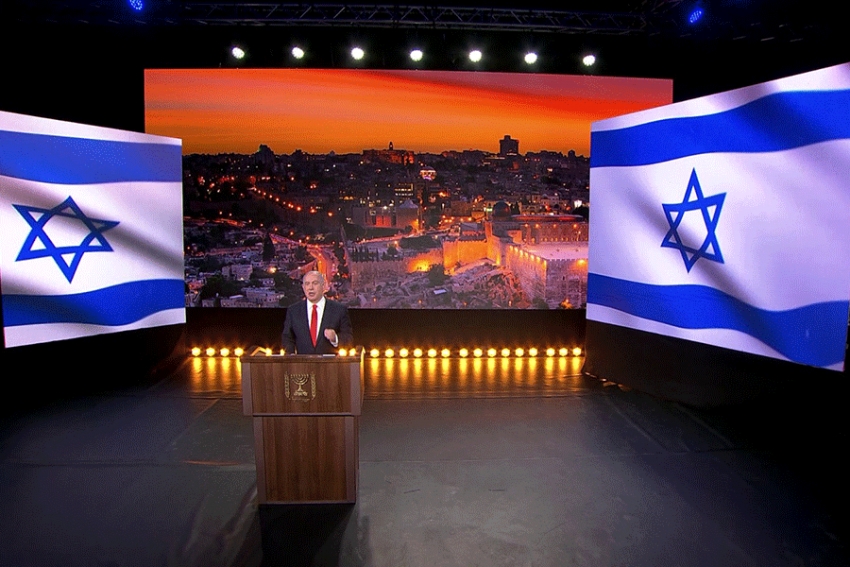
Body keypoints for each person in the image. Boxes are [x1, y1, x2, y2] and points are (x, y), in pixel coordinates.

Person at [281, 270, 353, 354]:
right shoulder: (293, 311)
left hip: (329, 362)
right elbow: (287, 339)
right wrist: (291, 357)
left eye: (315, 283)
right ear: (303, 287)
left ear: (323, 286)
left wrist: (335, 338)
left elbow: (349, 339)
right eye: (307, 284)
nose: (310, 287)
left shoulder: (339, 310)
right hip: (302, 362)